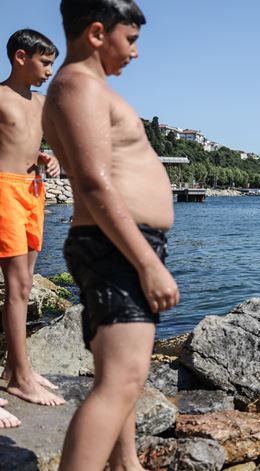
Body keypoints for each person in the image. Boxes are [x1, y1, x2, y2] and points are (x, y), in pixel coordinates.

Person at [42, 0, 179, 469]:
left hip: (118, 243)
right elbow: (94, 182)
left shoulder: (87, 87)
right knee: (121, 379)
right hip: (116, 245)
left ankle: (126, 463)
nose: (136, 53)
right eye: (132, 40)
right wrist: (147, 263)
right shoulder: (78, 85)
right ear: (98, 33)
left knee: (117, 375)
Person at [0, 28, 64, 429]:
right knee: (16, 283)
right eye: (44, 62)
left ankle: (15, 371)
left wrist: (45, 157)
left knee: (23, 286)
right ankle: (20, 377)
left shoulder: (40, 103)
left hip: (33, 191)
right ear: (20, 57)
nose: (49, 71)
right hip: (4, 189)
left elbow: (28, 142)